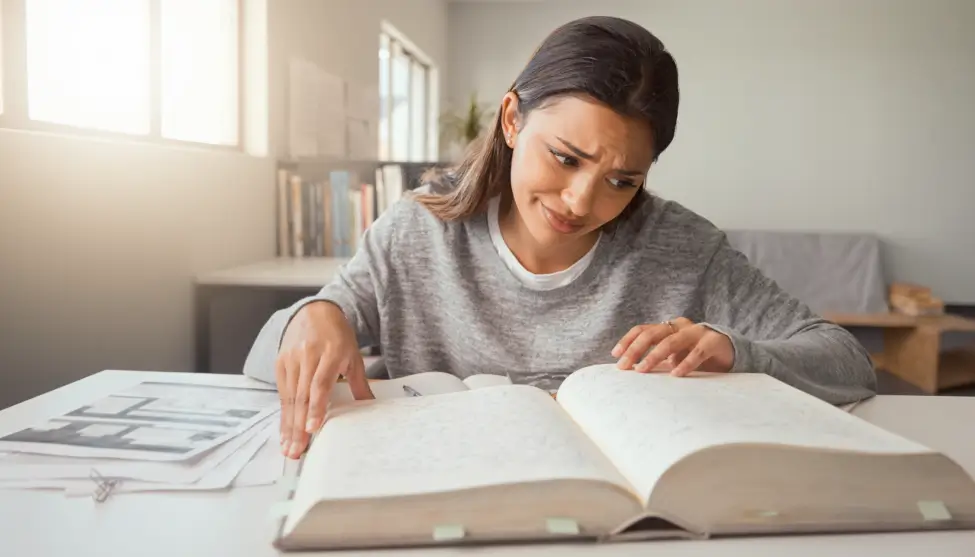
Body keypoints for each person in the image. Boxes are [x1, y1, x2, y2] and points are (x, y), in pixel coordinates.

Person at [243, 16, 877, 459]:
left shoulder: (684, 248)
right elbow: (261, 361)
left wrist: (733, 349)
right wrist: (314, 315)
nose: (581, 202)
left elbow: (848, 362)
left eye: (622, 180)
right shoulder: (417, 232)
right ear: (514, 118)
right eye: (567, 158)